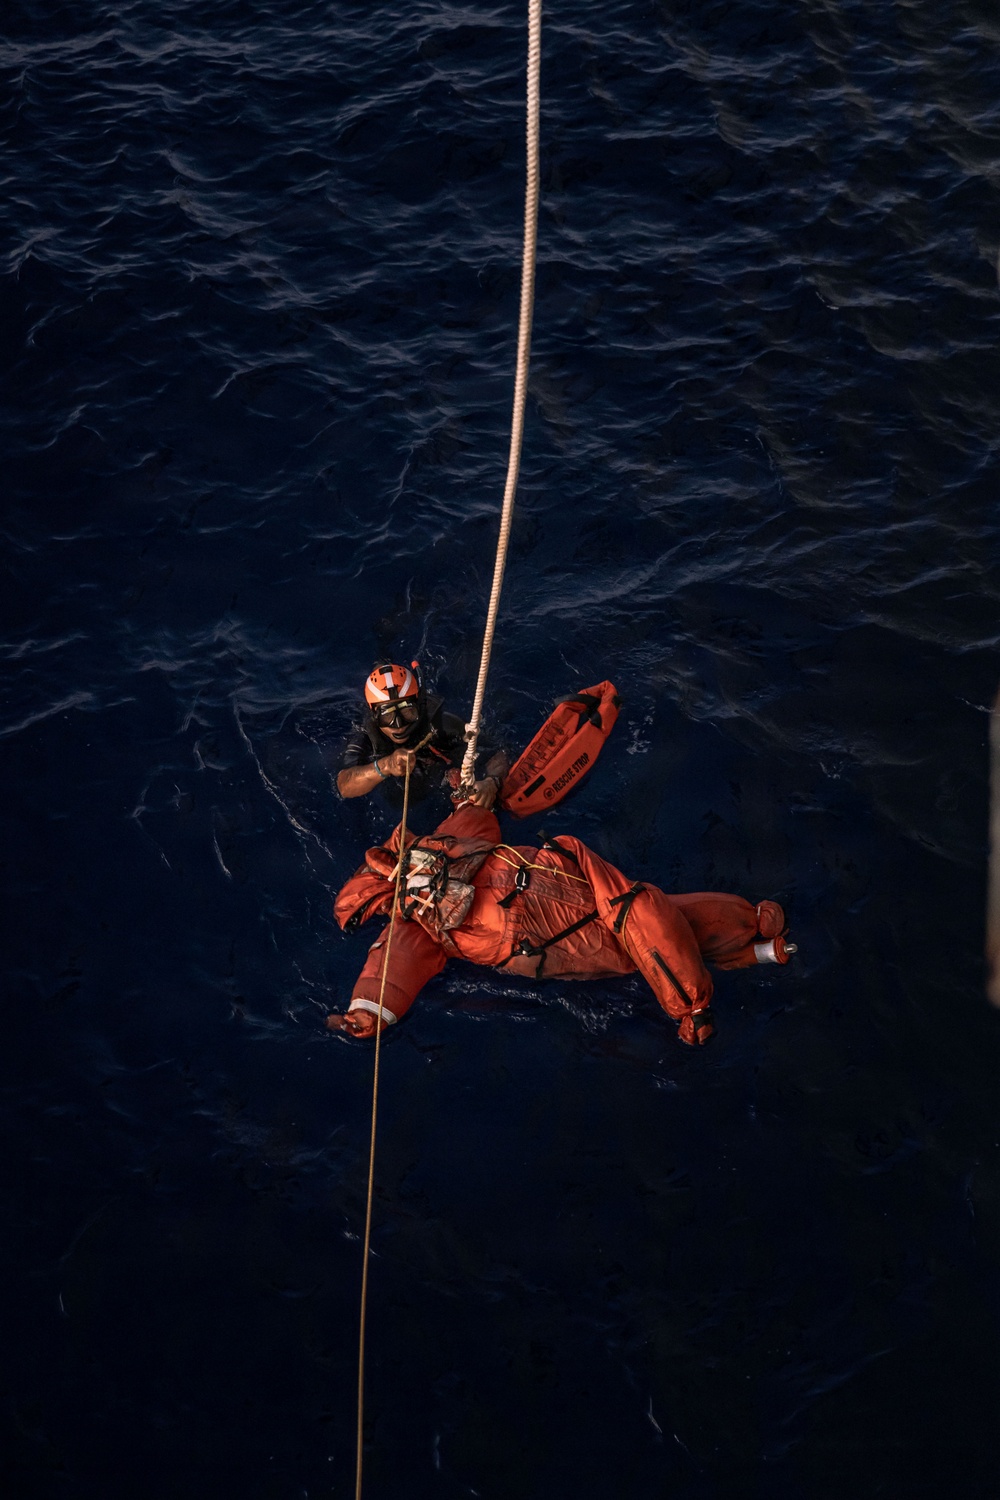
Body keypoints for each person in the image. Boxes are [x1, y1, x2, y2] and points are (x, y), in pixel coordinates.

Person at [326, 800, 795, 1046]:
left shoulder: (453, 843)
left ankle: (750, 940)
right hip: (559, 938)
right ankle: (747, 950)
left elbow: (479, 817)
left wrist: (474, 794)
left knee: (646, 916)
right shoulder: (416, 927)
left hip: (577, 882)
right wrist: (369, 1011)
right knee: (646, 929)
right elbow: (390, 967)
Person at [336, 661, 508, 813]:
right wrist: (386, 765)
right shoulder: (366, 738)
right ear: (374, 716)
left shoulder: (443, 725)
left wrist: (492, 783)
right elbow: (344, 785)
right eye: (387, 716)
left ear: (419, 705)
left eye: (407, 711)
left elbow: (498, 754)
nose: (399, 724)